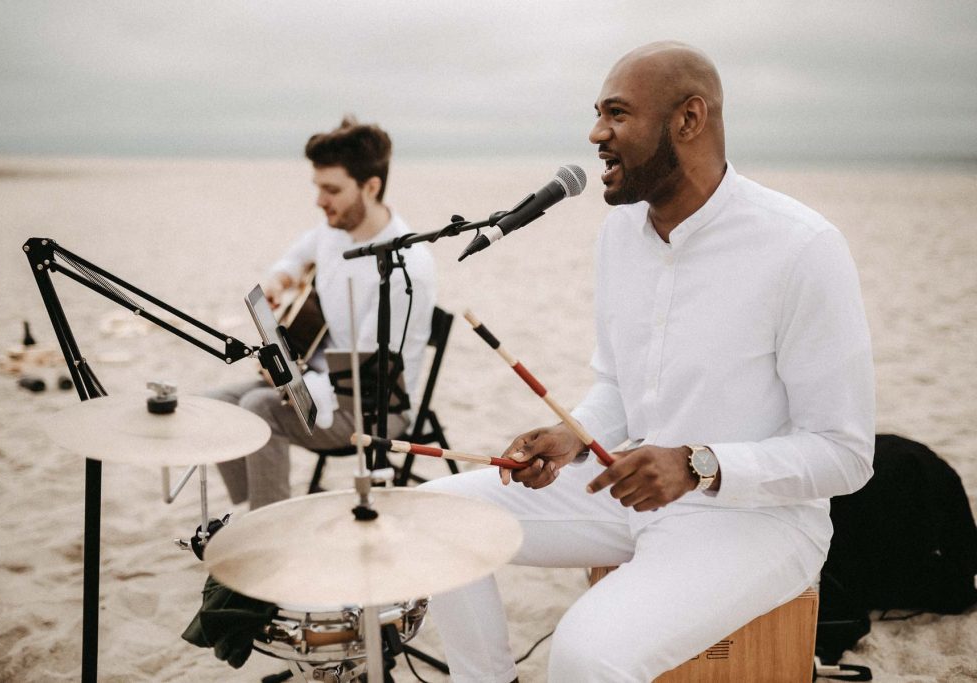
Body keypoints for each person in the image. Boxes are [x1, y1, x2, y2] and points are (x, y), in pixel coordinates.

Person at [420, 41, 874, 682]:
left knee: (585, 655)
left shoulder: (803, 248)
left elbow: (846, 455)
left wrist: (696, 464)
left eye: (617, 114)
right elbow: (620, 388)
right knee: (436, 518)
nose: (596, 133)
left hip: (760, 523)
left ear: (688, 119)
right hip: (628, 490)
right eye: (599, 114)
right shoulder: (619, 237)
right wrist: (573, 436)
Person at [211, 117, 436, 510]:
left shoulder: (405, 270)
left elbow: (361, 381)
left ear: (371, 186)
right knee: (215, 405)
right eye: (317, 187)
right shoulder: (334, 228)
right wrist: (281, 279)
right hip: (320, 376)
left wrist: (289, 379)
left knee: (259, 410)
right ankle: (248, 511)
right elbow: (296, 256)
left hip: (373, 405)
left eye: (331, 190)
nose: (319, 200)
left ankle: (269, 535)